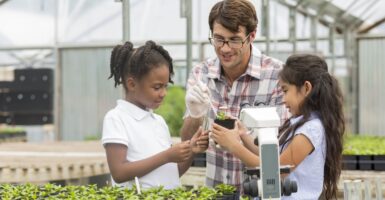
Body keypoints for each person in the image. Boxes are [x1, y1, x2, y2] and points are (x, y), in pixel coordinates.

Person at [181, 0, 289, 192]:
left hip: (261, 192)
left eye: (234, 39)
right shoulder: (201, 74)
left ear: (252, 35)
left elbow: (282, 150)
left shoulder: (276, 75)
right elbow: (187, 141)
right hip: (215, 191)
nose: (225, 48)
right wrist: (194, 113)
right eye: (218, 38)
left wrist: (237, 142)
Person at [212, 54, 345, 199]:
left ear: (306, 88)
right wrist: (243, 135)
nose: (283, 99)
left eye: (285, 90)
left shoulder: (311, 130)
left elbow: (276, 171)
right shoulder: (303, 123)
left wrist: (233, 146)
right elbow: (272, 159)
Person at [102, 40, 209, 190]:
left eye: (165, 86)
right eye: (157, 87)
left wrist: (191, 150)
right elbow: (119, 173)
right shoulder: (117, 118)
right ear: (132, 84)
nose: (163, 93)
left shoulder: (158, 121)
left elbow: (172, 172)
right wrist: (167, 156)